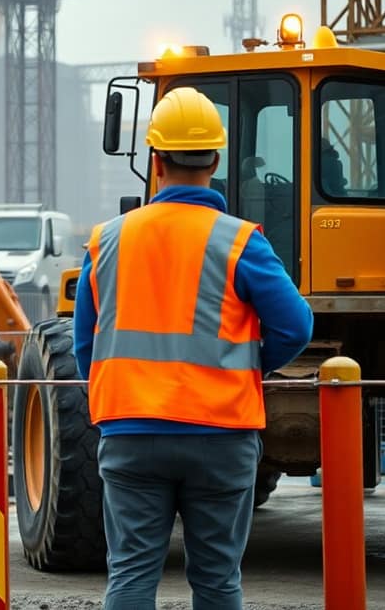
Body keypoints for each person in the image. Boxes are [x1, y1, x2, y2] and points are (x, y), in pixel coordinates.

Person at [73, 87, 313, 609]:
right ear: (217, 160)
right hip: (220, 434)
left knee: (131, 577)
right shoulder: (240, 241)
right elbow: (296, 327)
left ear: (156, 160)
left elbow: (84, 346)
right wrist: (245, 366)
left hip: (131, 430)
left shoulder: (106, 241)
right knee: (218, 581)